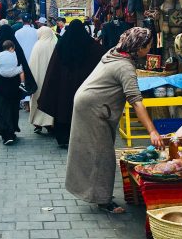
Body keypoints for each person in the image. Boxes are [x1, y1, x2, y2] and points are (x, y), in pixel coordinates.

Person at [65, 27, 164, 214]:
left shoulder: (115, 53)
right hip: (93, 108)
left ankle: (95, 193)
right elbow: (136, 102)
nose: (149, 50)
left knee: (95, 151)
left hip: (87, 102)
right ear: (139, 47)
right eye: (148, 46)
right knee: (103, 155)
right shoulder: (124, 66)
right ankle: (103, 200)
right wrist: (152, 131)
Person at [38, 19, 104, 148]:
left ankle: (63, 138)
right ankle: (83, 138)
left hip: (64, 86)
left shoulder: (62, 44)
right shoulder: (91, 45)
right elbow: (101, 57)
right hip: (85, 85)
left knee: (63, 109)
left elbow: (54, 68)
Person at [0, 25, 35, 145]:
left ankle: (5, 133)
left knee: (1, 108)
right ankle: (12, 130)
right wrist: (29, 81)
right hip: (14, 84)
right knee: (13, 107)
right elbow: (23, 64)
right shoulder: (16, 47)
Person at [28, 26, 58, 134]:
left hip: (38, 79)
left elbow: (31, 64)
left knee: (37, 99)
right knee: (50, 99)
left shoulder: (37, 45)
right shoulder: (55, 45)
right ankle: (49, 123)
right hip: (51, 80)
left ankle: (37, 123)